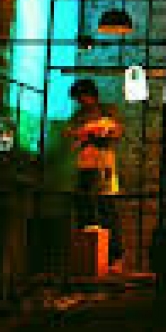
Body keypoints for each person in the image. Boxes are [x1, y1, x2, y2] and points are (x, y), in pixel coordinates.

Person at [62, 79, 125, 268]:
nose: (80, 102)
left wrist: (94, 133)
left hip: (104, 163)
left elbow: (116, 132)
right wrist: (84, 134)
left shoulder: (108, 110)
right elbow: (70, 134)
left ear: (90, 95)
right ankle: (87, 255)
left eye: (81, 98)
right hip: (85, 163)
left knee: (107, 207)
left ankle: (115, 256)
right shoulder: (78, 116)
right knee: (84, 206)